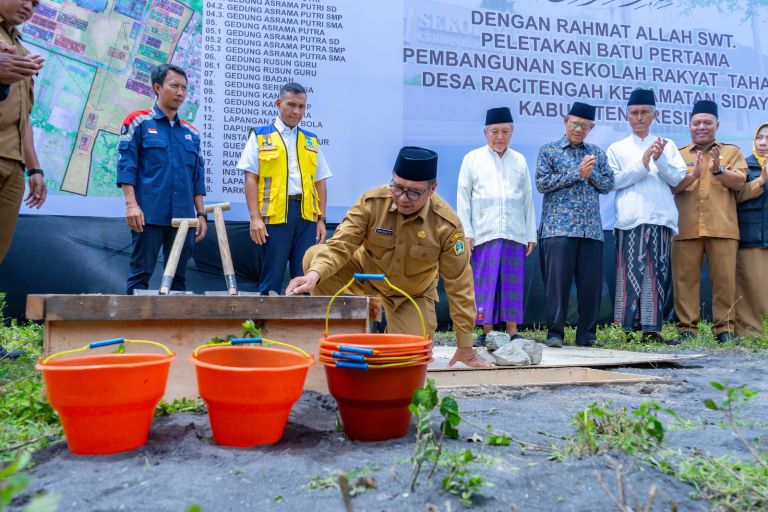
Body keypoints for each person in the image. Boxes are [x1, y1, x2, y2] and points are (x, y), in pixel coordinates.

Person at [286, 146, 491, 368]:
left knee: (410, 359)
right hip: (364, 278)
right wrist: (314, 275)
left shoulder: (446, 225)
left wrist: (465, 347)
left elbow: (459, 285)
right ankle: (345, 334)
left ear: (432, 189)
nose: (403, 198)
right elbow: (340, 245)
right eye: (398, 187)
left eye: (414, 192)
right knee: (315, 256)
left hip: (410, 294)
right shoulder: (372, 203)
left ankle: (389, 336)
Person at [117, 63, 207, 294]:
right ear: (157, 87)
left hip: (184, 219)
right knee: (141, 273)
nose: (180, 93)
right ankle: (134, 330)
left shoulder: (191, 133)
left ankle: (175, 331)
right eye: (174, 86)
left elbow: (197, 177)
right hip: (148, 215)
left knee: (178, 278)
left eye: (184, 88)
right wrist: (131, 205)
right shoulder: (138, 122)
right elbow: (127, 164)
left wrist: (201, 215)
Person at [606, 89, 687, 344]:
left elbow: (677, 178)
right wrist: (642, 163)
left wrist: (659, 159)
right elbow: (613, 182)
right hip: (630, 219)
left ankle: (651, 330)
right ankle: (626, 330)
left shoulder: (668, 145)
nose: (639, 117)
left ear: (654, 114)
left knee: (657, 273)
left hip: (661, 218)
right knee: (628, 274)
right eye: (634, 113)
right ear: (627, 116)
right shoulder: (617, 148)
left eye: (644, 112)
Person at [237, 82, 331, 294]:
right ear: (278, 104)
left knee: (305, 278)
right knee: (272, 278)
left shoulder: (311, 140)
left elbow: (321, 181)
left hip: (306, 217)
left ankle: (303, 326)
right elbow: (250, 177)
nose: (296, 111)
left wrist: (321, 219)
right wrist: (255, 218)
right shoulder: (261, 136)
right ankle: (263, 327)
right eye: (291, 105)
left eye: (301, 106)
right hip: (275, 216)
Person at [536, 101, 614, 348]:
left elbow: (607, 185)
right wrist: (576, 174)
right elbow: (542, 183)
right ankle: (555, 333)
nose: (579, 129)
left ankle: (587, 335)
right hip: (558, 229)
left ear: (591, 128)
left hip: (590, 230)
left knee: (591, 287)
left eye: (584, 126)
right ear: (565, 121)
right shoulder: (549, 151)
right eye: (575, 123)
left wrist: (592, 176)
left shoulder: (597, 153)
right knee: (557, 286)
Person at [456, 107, 536, 345]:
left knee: (513, 283)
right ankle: (487, 331)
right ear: (485, 133)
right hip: (483, 232)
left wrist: (530, 233)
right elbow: (463, 198)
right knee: (485, 283)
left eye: (505, 131)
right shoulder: (472, 159)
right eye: (495, 131)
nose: (500, 136)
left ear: (512, 132)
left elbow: (527, 200)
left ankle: (512, 331)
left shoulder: (519, 160)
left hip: (514, 232)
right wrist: (466, 232)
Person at [672, 100, 747, 343]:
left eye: (707, 122)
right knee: (684, 281)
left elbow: (740, 183)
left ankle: (724, 330)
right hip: (685, 227)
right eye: (696, 123)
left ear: (717, 125)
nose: (701, 127)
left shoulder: (731, 152)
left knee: (725, 282)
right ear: (689, 125)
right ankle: (687, 331)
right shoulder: (678, 153)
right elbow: (672, 186)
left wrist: (718, 170)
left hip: (722, 227)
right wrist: (692, 174)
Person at [0, 0, 47, 360]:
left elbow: (24, 120)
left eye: (36, 2)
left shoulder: (22, 51)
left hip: (13, 166)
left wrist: (35, 169)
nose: (30, 6)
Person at [734, 122, 768, 338]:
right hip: (752, 237)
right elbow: (735, 196)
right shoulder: (744, 166)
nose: (763, 143)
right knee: (752, 289)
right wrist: (762, 180)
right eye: (759, 138)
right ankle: (751, 334)